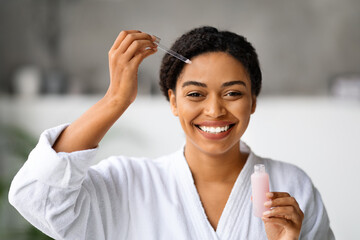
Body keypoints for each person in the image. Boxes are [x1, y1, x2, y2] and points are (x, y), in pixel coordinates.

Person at [9, 26, 335, 240]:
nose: (214, 110)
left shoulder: (292, 187)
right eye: (195, 94)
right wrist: (115, 100)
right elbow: (38, 196)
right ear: (173, 102)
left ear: (253, 102)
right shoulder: (127, 184)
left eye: (233, 93)